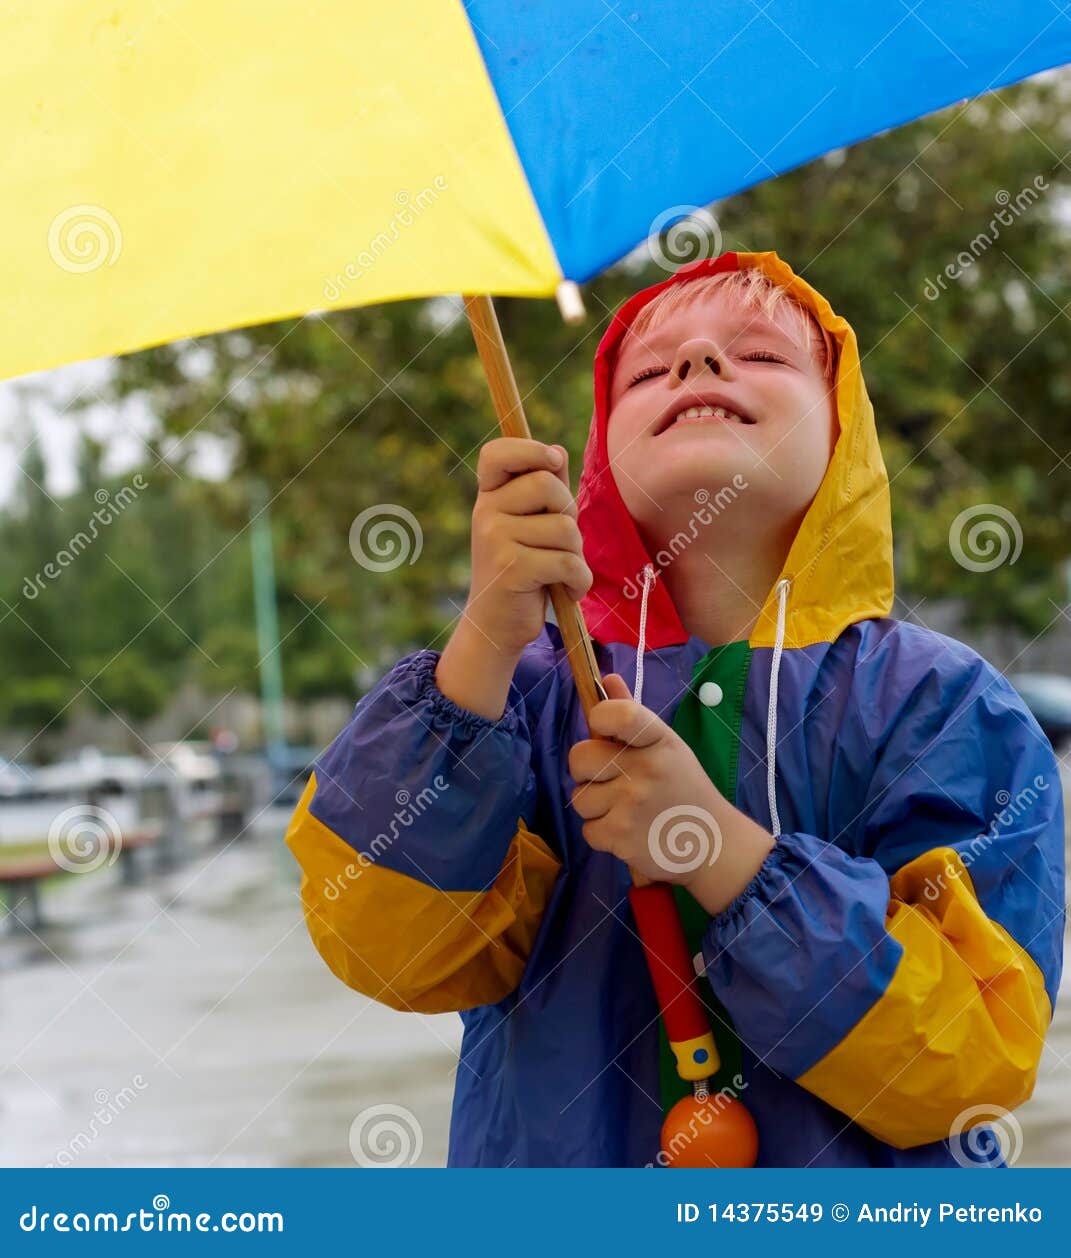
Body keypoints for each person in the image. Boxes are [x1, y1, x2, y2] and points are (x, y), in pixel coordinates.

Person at [284, 249, 1064, 1167]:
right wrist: (488, 632)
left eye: (760, 355)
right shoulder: (521, 693)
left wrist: (719, 851)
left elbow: (968, 1060)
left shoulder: (940, 707)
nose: (695, 364)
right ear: (600, 453)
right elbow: (390, 952)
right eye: (649, 371)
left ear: (844, 431)